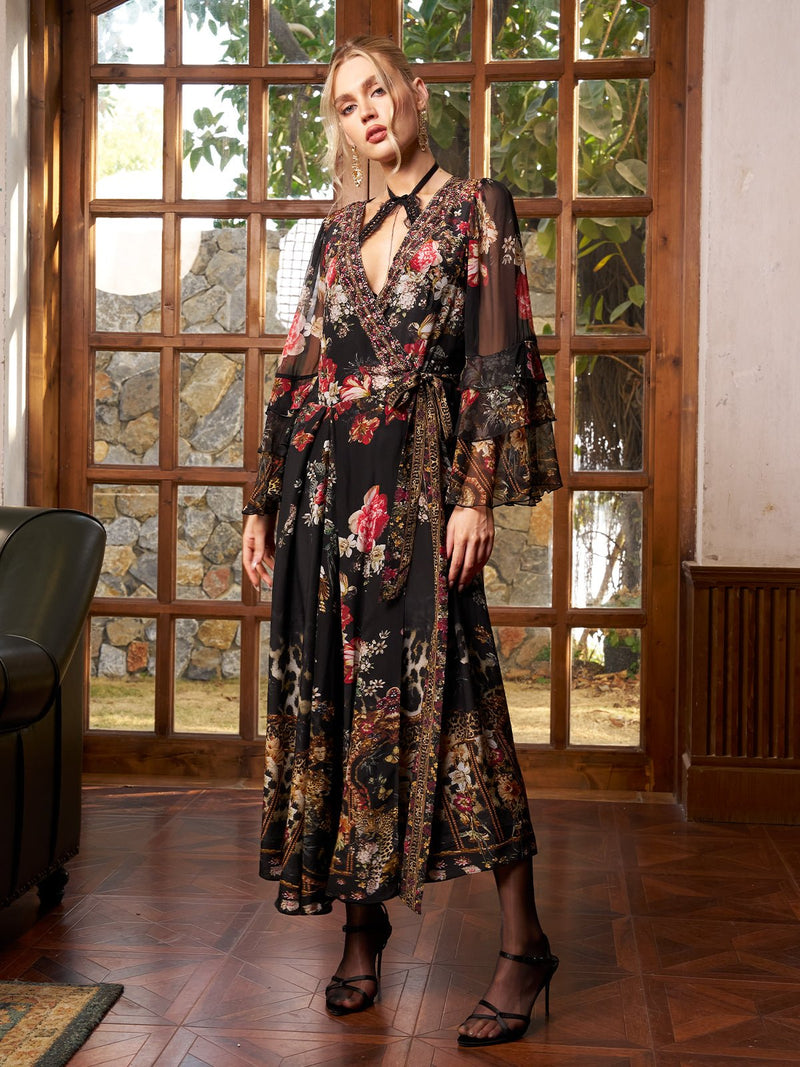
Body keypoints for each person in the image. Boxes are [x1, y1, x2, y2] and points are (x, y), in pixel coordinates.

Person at [242, 35, 562, 1048]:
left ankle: (521, 943)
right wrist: (258, 503)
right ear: (337, 127)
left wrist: (474, 492)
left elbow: (494, 362)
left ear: (414, 93)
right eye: (345, 104)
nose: (367, 111)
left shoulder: (474, 209)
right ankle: (359, 929)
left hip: (420, 493)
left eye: (377, 90)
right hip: (321, 501)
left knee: (457, 702)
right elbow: (297, 370)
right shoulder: (333, 233)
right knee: (337, 699)